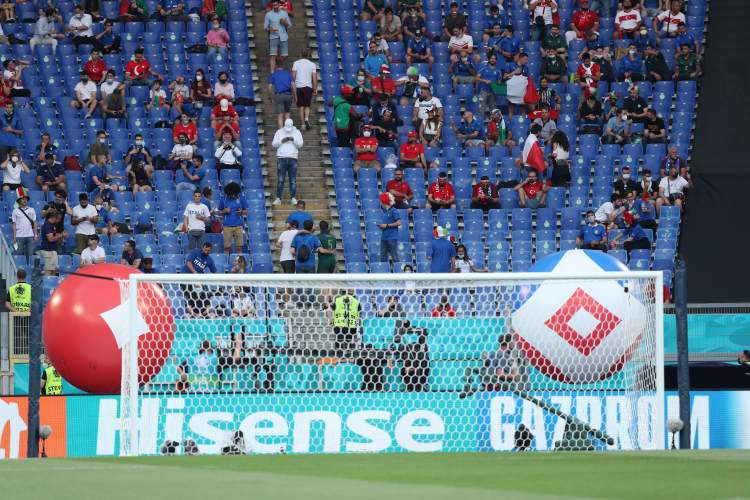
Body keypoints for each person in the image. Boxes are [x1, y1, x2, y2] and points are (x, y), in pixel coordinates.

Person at [459, 334, 520, 398]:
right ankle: (473, 388)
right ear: (509, 343)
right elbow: (499, 373)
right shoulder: (505, 356)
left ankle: (471, 387)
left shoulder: (493, 354)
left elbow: (485, 369)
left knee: (472, 369)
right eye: (513, 342)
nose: (514, 344)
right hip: (497, 387)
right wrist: (513, 375)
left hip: (486, 383)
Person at [271, 118, 303, 205]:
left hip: (293, 158)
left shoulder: (297, 132)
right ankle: (278, 198)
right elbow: (274, 144)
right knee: (280, 179)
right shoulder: (279, 132)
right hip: (281, 158)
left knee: (293, 180)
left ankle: (293, 198)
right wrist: (281, 141)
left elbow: (300, 144)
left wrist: (293, 139)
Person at [392, 320, 429, 391]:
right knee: (405, 370)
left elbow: (424, 362)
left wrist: (412, 367)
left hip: (418, 368)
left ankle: (418, 386)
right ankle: (410, 386)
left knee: (419, 368)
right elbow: (398, 357)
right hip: (408, 368)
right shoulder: (404, 346)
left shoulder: (423, 347)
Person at [218, 182, 247, 254]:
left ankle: (239, 260)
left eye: (234, 194)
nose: (233, 196)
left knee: (239, 247)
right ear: (228, 193)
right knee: (226, 248)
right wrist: (224, 211)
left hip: (239, 226)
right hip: (227, 226)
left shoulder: (241, 198)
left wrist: (241, 212)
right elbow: (218, 212)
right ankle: (226, 260)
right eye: (231, 194)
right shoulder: (223, 199)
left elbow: (246, 211)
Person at [292, 48, 317, 130]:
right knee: (307, 105)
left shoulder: (296, 63)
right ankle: (306, 118)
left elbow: (293, 77)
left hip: (299, 86)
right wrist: (315, 88)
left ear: (300, 54)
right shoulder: (312, 64)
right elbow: (314, 78)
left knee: (301, 107)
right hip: (308, 87)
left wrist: (292, 87)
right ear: (308, 55)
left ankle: (303, 124)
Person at [264, 0, 292, 73]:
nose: (275, 6)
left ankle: (281, 70)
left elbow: (289, 25)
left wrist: (284, 23)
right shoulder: (268, 14)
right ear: (272, 6)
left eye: (276, 5)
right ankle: (272, 72)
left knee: (284, 56)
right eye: (274, 5)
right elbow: (265, 27)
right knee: (273, 55)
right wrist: (269, 29)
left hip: (283, 36)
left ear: (279, 5)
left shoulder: (284, 13)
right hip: (273, 37)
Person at [332, 290, 361, 356]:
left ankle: (340, 354)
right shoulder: (356, 302)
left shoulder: (337, 300)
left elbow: (331, 311)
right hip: (351, 326)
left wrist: (331, 323)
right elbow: (359, 314)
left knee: (339, 342)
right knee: (349, 342)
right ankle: (349, 354)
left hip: (339, 325)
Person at [267, 63, 294, 130]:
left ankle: (281, 132)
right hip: (288, 95)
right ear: (283, 66)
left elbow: (269, 87)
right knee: (287, 113)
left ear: (276, 66)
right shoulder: (288, 74)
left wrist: (270, 97)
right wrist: (295, 96)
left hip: (279, 95)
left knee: (280, 115)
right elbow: (293, 86)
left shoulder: (273, 75)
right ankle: (288, 130)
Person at [12, 193, 37, 263]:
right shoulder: (15, 211)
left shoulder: (32, 209)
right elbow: (14, 224)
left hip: (30, 235)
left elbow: (35, 223)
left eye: (26, 199)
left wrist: (35, 235)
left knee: (31, 255)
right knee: (19, 254)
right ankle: (20, 268)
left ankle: (30, 267)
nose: (25, 200)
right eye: (23, 199)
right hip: (19, 236)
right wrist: (14, 237)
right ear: (19, 201)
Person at [40, 211, 66, 276]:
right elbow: (50, 239)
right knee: (48, 272)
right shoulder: (48, 225)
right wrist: (61, 235)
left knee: (54, 271)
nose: (59, 221)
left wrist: (61, 234)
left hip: (52, 251)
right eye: (59, 219)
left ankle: (52, 282)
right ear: (54, 218)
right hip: (48, 251)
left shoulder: (51, 225)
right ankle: (47, 282)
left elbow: (53, 235)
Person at [378, 192, 401, 266]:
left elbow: (399, 223)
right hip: (384, 237)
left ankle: (398, 271)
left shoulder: (394, 210)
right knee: (383, 257)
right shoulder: (385, 212)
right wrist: (382, 226)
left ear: (384, 201)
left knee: (394, 257)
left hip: (392, 237)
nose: (380, 203)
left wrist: (387, 225)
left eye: (381, 201)